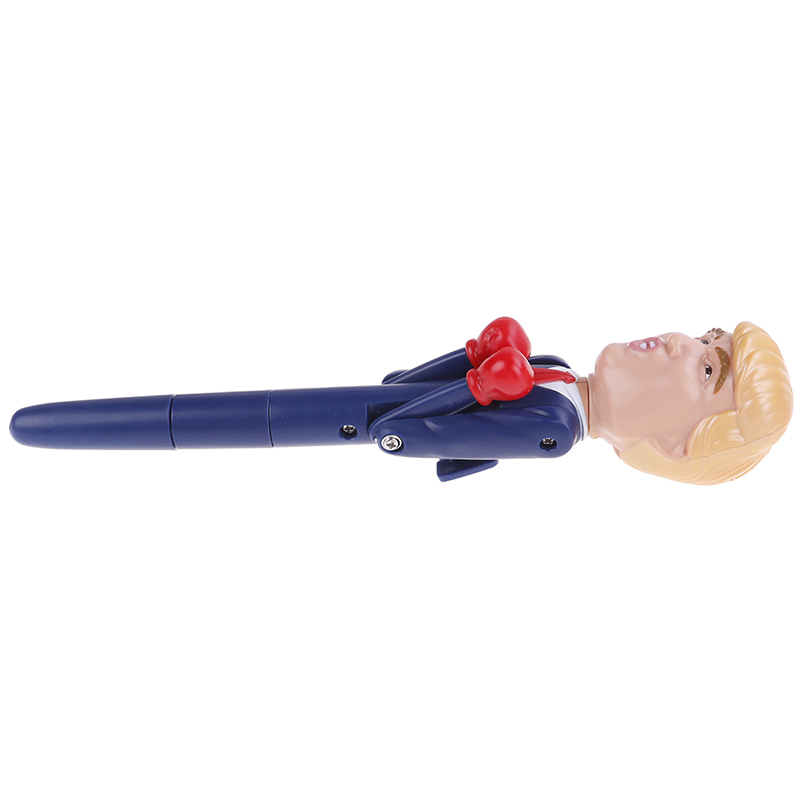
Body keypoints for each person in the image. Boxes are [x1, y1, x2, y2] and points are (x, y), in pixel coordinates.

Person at [371, 317, 792, 484]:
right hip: (403, 397)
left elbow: (430, 431)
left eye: (708, 371)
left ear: (670, 445)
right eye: (703, 338)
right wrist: (473, 356)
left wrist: (479, 385)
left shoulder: (556, 428)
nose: (679, 340)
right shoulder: (562, 369)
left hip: (400, 418)